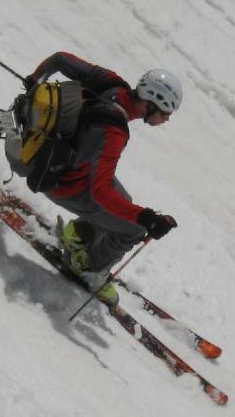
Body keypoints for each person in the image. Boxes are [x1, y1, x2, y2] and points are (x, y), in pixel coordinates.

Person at [22, 51, 181, 304]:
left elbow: (61, 59)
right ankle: (87, 269)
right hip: (65, 185)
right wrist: (146, 218)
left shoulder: (111, 84)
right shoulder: (115, 131)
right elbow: (100, 192)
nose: (166, 119)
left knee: (124, 201)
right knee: (133, 228)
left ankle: (79, 234)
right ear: (151, 102)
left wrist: (33, 79)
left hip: (52, 160)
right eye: (165, 113)